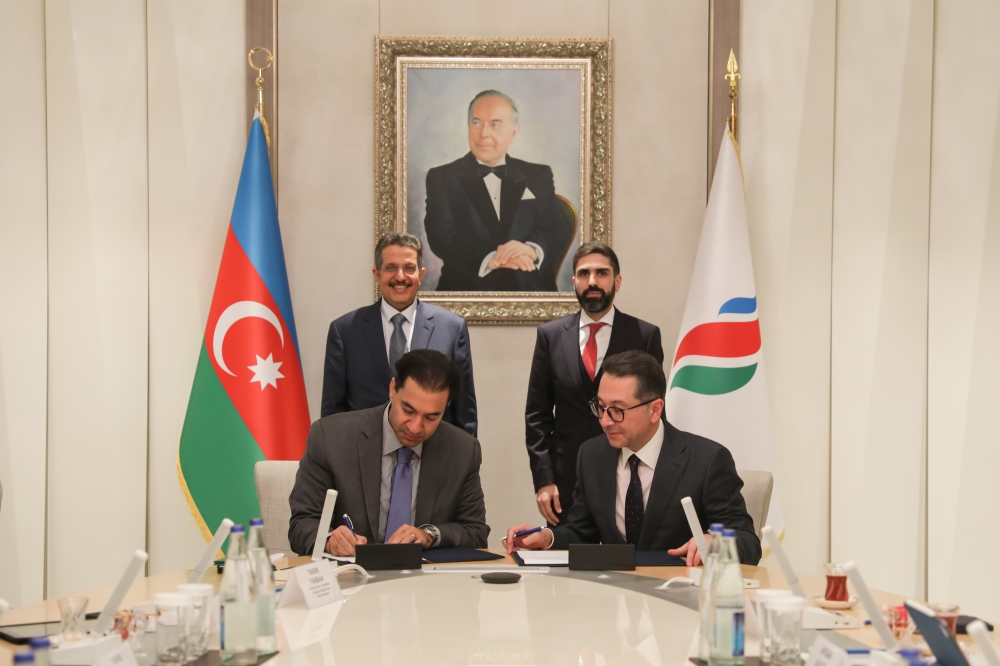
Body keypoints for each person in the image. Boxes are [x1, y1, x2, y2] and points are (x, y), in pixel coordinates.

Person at [507, 350, 761, 565]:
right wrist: (546, 538)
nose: (605, 421)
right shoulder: (592, 455)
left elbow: (748, 544)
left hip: (679, 595)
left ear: (655, 410)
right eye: (601, 407)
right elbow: (582, 533)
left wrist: (714, 542)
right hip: (614, 597)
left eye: (618, 410)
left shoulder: (706, 459)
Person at [289, 349, 489, 556]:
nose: (415, 427)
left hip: (425, 574)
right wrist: (330, 540)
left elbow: (475, 531)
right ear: (393, 389)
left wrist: (430, 535)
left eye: (430, 417)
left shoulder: (463, 451)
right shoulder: (331, 437)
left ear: (446, 407)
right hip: (351, 572)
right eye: (408, 410)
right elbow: (302, 523)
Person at [524, 242, 663, 525]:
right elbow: (537, 416)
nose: (592, 281)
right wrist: (544, 480)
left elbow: (654, 413)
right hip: (566, 480)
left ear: (617, 281)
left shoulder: (644, 335)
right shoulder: (550, 336)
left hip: (629, 472)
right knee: (567, 550)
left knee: (626, 549)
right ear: (574, 282)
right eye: (584, 274)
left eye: (602, 273)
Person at [320, 233, 477, 436]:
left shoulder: (451, 329)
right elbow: (332, 415)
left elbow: (464, 414)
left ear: (421, 275)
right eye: (391, 268)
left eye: (409, 268)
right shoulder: (344, 331)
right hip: (362, 452)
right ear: (377, 275)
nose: (400, 277)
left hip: (431, 452)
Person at [423, 89, 572, 291]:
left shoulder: (538, 175)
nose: (483, 133)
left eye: (495, 124)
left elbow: (556, 228)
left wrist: (530, 250)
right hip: (467, 288)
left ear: (514, 132)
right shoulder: (442, 177)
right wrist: (491, 259)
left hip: (529, 287)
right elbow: (440, 234)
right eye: (476, 123)